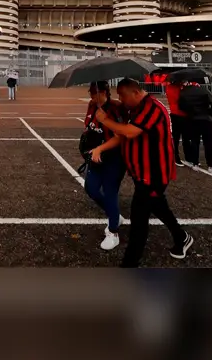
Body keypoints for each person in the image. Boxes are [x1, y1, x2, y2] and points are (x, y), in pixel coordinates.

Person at [93, 78, 194, 268]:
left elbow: (130, 132)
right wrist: (103, 104)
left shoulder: (152, 108)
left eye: (122, 96)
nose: (121, 100)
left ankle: (130, 263)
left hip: (153, 174)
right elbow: (119, 110)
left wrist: (105, 120)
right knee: (159, 207)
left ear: (135, 93)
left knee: (139, 220)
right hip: (141, 173)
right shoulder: (135, 107)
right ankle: (182, 237)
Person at [81, 81, 128, 250]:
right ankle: (114, 215)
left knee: (110, 192)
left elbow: (120, 136)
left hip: (114, 158)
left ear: (104, 93)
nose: (92, 97)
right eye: (91, 93)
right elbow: (89, 126)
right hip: (96, 157)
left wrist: (100, 147)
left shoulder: (116, 108)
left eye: (95, 93)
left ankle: (113, 231)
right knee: (91, 188)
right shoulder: (92, 106)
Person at [177, 78, 212, 174]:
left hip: (192, 119)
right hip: (205, 119)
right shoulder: (203, 90)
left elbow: (180, 106)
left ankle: (195, 163)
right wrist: (210, 115)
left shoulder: (183, 92)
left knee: (194, 142)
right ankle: (211, 165)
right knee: (208, 143)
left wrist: (189, 113)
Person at [164, 79, 188, 167]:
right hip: (178, 113)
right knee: (179, 136)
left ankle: (183, 156)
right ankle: (176, 156)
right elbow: (180, 99)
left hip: (177, 113)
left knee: (179, 136)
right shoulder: (175, 88)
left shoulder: (171, 87)